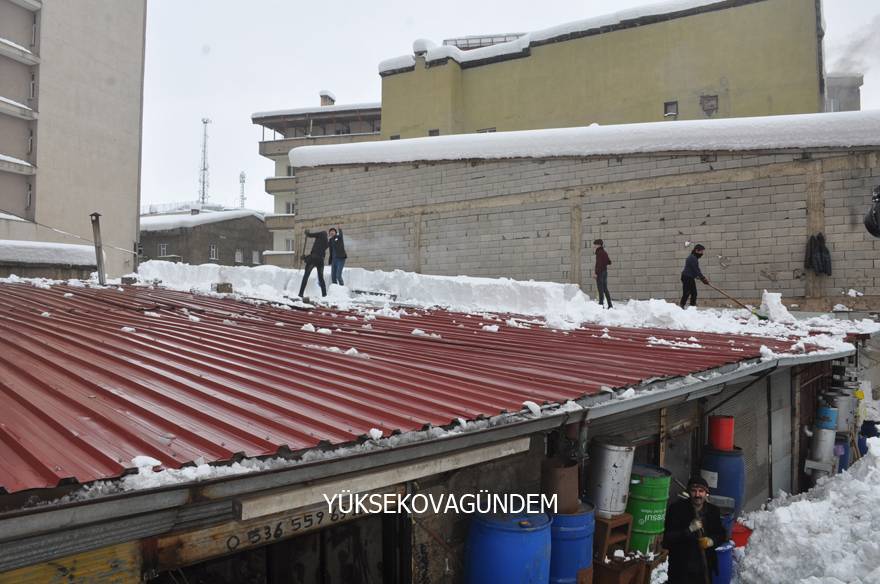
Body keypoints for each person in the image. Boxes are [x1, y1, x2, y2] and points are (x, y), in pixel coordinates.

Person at [662, 476, 728, 584]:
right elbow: (667, 539)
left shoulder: (713, 511)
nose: (697, 495)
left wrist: (711, 541)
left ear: (706, 493)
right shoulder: (676, 509)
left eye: (701, 491)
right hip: (681, 567)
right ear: (689, 492)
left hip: (704, 567)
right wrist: (688, 530)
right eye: (694, 491)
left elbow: (722, 534)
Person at [298, 229, 329, 298]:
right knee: (321, 278)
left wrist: (307, 233)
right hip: (321, 261)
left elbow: (310, 235)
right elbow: (318, 254)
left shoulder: (320, 234)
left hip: (313, 259)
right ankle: (324, 295)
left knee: (306, 276)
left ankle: (300, 293)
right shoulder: (326, 243)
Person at [680, 244, 709, 308]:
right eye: (701, 251)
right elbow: (696, 269)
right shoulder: (692, 258)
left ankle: (692, 307)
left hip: (689, 277)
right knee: (687, 292)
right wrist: (703, 278)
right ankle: (682, 306)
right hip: (687, 277)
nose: (702, 253)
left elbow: (693, 269)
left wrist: (697, 276)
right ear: (696, 250)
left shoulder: (693, 257)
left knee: (693, 293)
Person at [593, 239, 612, 309]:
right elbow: (609, 262)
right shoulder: (604, 252)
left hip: (600, 273)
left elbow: (599, 264)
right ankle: (610, 305)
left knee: (600, 289)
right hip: (605, 272)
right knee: (605, 289)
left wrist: (596, 273)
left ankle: (601, 305)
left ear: (598, 245)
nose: (594, 246)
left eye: (595, 244)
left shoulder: (599, 252)